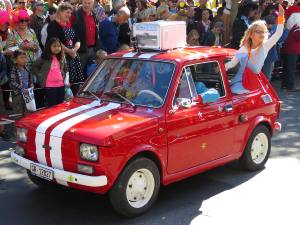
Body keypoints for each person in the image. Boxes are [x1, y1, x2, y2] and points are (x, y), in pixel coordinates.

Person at [225, 3, 285, 94]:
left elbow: (278, 34)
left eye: (263, 32)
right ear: (251, 33)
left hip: (253, 82)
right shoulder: (244, 48)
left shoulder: (265, 46)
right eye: (258, 32)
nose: (261, 34)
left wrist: (281, 18)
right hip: (239, 83)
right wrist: (220, 68)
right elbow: (232, 63)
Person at [47, 2, 84, 95]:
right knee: (65, 84)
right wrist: (69, 51)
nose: (69, 15)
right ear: (59, 12)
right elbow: (56, 41)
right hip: (61, 59)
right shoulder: (53, 25)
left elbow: (77, 40)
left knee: (76, 84)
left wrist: (74, 50)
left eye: (70, 13)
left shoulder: (71, 25)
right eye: (67, 12)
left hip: (73, 57)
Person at [32, 38, 68, 106]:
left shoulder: (62, 57)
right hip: (49, 86)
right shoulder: (44, 57)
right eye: (54, 46)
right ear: (49, 47)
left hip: (61, 85)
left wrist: (66, 79)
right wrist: (39, 75)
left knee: (60, 105)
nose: (57, 48)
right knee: (51, 106)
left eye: (58, 46)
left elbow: (66, 69)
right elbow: (34, 66)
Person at [72, 0, 100, 76]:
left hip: (93, 50)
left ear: (93, 4)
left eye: (89, 3)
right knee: (80, 74)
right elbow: (72, 32)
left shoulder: (94, 15)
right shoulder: (76, 15)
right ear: (82, 2)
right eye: (85, 3)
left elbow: (96, 32)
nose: (86, 5)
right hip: (81, 51)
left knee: (92, 75)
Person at [10, 49, 33, 115]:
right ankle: (18, 124)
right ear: (15, 60)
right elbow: (13, 82)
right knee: (18, 112)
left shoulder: (27, 68)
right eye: (21, 58)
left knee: (27, 110)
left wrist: (31, 84)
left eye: (25, 57)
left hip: (27, 94)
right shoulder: (14, 69)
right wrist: (22, 88)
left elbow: (30, 77)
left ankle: (25, 124)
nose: (24, 60)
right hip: (18, 94)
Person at [281, 13, 300, 91]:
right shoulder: (297, 29)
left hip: (286, 50)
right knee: (291, 68)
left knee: (286, 67)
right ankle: (290, 86)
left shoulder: (290, 28)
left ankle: (284, 84)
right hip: (292, 51)